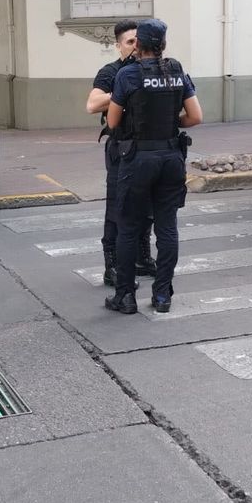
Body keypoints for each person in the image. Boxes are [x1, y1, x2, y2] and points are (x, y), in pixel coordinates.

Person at [105, 18, 203, 314]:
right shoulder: (176, 70)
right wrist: (172, 124)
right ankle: (162, 295)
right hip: (172, 158)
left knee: (128, 228)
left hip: (138, 160)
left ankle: (125, 296)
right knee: (167, 227)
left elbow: (112, 122)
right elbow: (195, 116)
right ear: (163, 45)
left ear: (139, 45)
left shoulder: (128, 75)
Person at [85, 20, 156, 287]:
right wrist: (123, 89)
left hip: (149, 148)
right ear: (118, 46)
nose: (136, 46)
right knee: (117, 208)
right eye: (129, 42)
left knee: (147, 206)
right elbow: (92, 104)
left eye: (139, 41)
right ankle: (111, 266)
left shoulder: (154, 68)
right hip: (121, 149)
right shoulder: (111, 71)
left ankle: (141, 257)